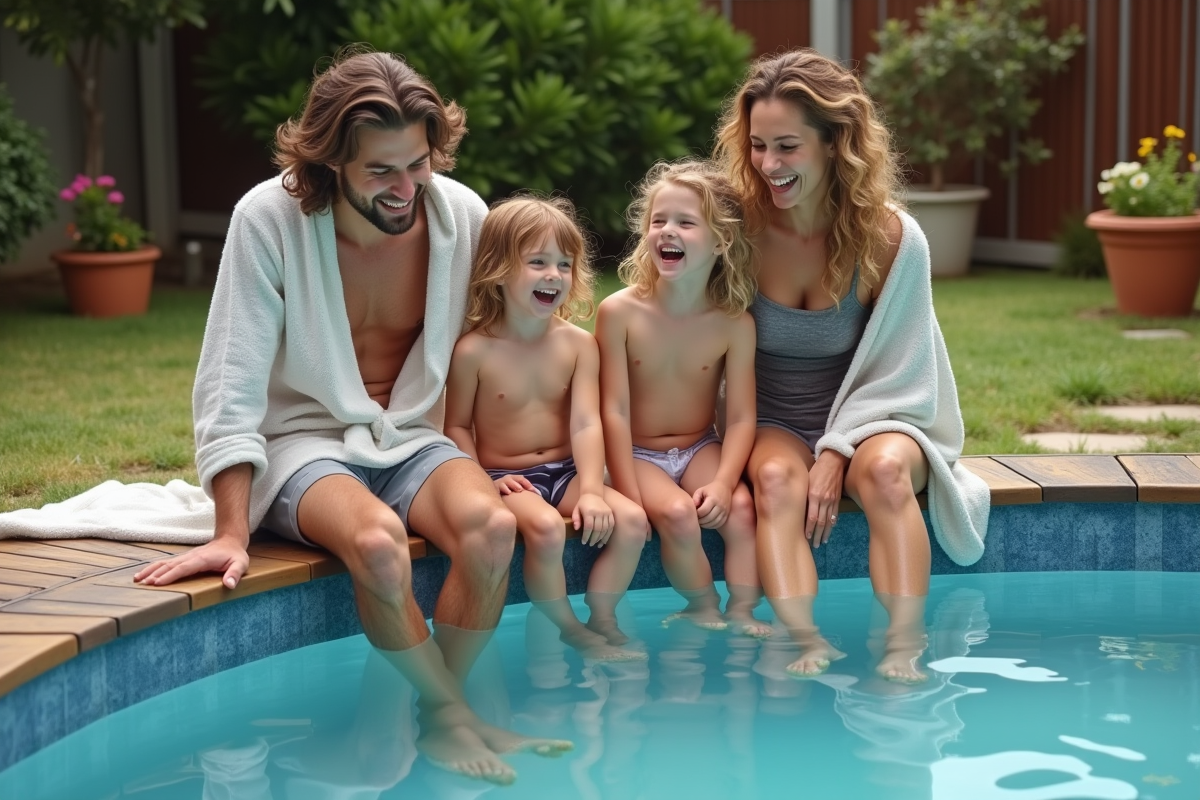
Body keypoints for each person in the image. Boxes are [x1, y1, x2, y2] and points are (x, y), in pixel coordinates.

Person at [132, 50, 569, 784]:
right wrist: (232, 530)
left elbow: (515, 337)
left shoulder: (459, 216)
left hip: (411, 436)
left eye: (418, 164)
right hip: (302, 441)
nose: (405, 190)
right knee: (377, 542)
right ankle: (448, 713)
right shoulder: (267, 220)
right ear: (332, 160)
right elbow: (230, 381)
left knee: (492, 531)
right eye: (381, 172)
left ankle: (437, 706)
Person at [713, 49, 990, 681]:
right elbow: (668, 301)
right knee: (779, 485)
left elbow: (905, 367)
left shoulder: (892, 238)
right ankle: (805, 640)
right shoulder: (736, 227)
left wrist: (839, 448)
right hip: (771, 417)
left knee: (890, 475)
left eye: (787, 147)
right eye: (757, 146)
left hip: (875, 416)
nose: (768, 165)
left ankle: (902, 649)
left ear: (837, 143)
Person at [443, 195, 649, 661]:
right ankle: (567, 626)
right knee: (547, 530)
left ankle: (603, 617)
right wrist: (482, 484)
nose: (553, 275)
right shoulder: (475, 351)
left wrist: (593, 490)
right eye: (537, 262)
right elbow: (455, 426)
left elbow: (585, 422)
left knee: (634, 523)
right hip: (505, 479)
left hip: (567, 472)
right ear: (497, 268)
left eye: (564, 264)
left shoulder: (577, 345)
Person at [596, 160, 769, 637]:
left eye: (685, 222)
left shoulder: (733, 322)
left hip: (699, 446)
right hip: (635, 453)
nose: (667, 231)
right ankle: (702, 605)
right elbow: (612, 410)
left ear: (720, 241)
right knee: (675, 513)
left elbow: (739, 418)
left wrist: (724, 482)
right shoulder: (619, 313)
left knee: (741, 511)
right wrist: (628, 490)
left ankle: (743, 612)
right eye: (659, 220)